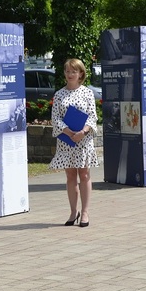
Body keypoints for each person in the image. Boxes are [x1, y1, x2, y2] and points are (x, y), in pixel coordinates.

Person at [49, 58, 99, 228]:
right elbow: (55, 118)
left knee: (84, 174)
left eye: (74, 71)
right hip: (66, 140)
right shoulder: (59, 94)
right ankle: (73, 211)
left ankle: (85, 212)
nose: (70, 74)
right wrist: (69, 132)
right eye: (68, 71)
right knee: (70, 176)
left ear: (81, 74)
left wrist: (83, 131)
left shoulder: (87, 93)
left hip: (83, 140)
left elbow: (93, 116)